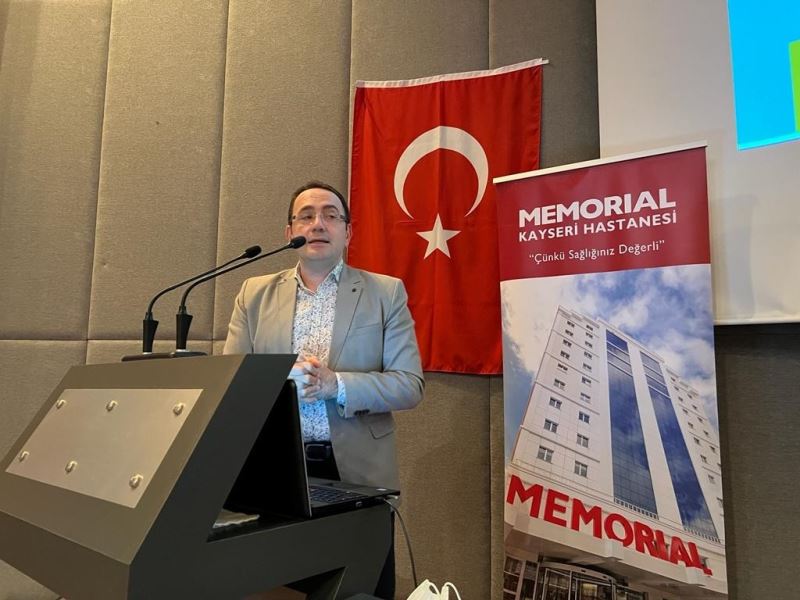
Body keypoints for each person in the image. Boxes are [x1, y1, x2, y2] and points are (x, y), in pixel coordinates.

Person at [223, 181, 424, 599]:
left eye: (331, 215)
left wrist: (337, 384)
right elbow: (232, 384)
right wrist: (278, 382)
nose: (318, 224)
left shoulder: (385, 292)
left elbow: (409, 386)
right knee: (280, 589)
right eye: (306, 216)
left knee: (357, 590)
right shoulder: (253, 295)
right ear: (289, 231)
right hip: (278, 478)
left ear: (348, 232)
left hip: (358, 478)